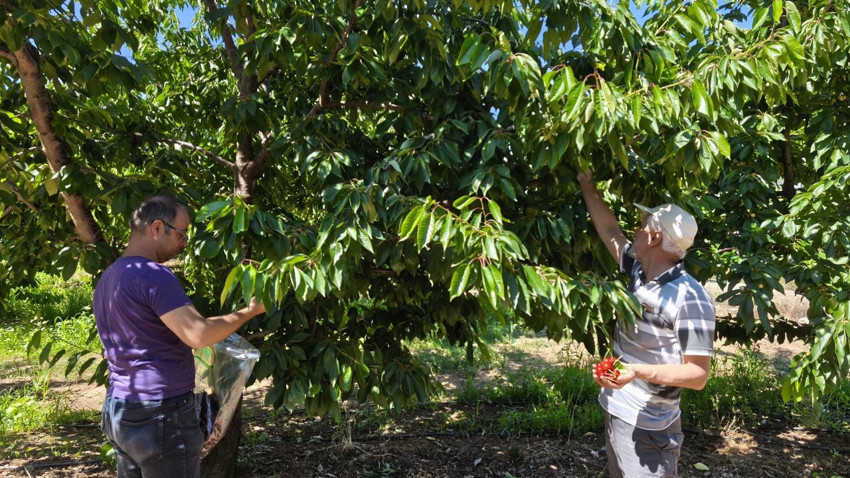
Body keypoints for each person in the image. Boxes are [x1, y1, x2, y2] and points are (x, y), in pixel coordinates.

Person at [93, 195, 266, 478]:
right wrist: (251, 311)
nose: (184, 243)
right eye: (181, 234)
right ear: (157, 227)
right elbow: (197, 334)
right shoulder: (153, 275)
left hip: (121, 410)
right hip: (160, 414)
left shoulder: (109, 277)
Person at [577, 171, 716, 478]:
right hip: (617, 409)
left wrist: (636, 371)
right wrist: (587, 182)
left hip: (650, 426)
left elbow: (698, 375)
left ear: (654, 238)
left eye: (641, 226)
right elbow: (610, 230)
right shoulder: (639, 271)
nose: (635, 230)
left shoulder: (690, 298)